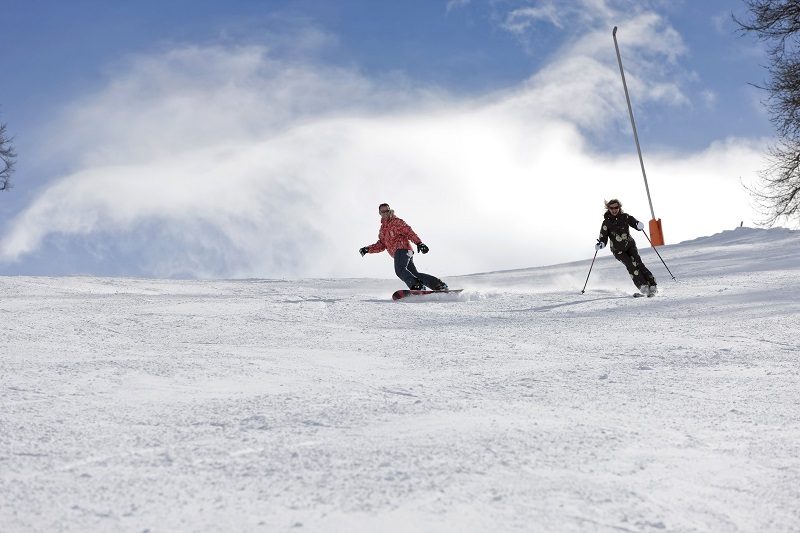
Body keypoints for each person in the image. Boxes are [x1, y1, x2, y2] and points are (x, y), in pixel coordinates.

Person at [359, 203, 448, 291]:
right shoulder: (383, 229)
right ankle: (438, 285)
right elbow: (382, 244)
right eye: (383, 211)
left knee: (400, 270)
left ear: (390, 210)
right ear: (380, 213)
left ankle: (417, 285)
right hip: (403, 252)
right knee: (414, 273)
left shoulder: (396, 222)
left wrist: (419, 243)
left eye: (387, 211)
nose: (385, 213)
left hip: (401, 249)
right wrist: (368, 249)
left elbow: (409, 232)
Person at [595, 199, 657, 296]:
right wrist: (601, 244)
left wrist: (638, 225)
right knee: (630, 265)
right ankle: (643, 286)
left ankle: (652, 285)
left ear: (619, 207)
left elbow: (634, 222)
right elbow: (603, 237)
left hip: (630, 245)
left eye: (616, 207)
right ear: (608, 209)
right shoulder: (606, 223)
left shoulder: (625, 217)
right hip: (618, 250)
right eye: (611, 208)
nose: (614, 210)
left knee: (638, 263)